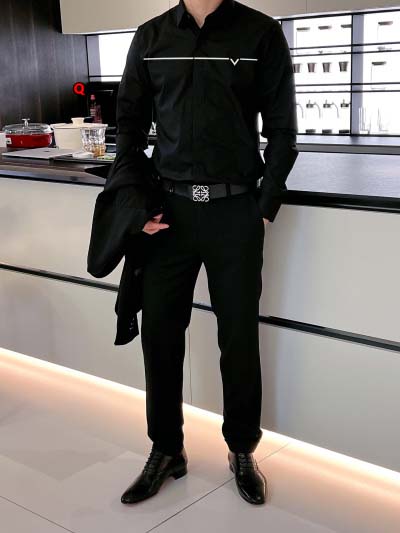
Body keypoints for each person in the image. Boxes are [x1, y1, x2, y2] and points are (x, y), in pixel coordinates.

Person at [116, 0, 299, 506]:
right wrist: (135, 205)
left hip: (234, 213)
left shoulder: (260, 33)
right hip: (167, 214)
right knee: (159, 335)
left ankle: (242, 449)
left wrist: (263, 207)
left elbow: (283, 129)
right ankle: (166, 449)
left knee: (237, 337)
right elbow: (128, 126)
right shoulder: (151, 38)